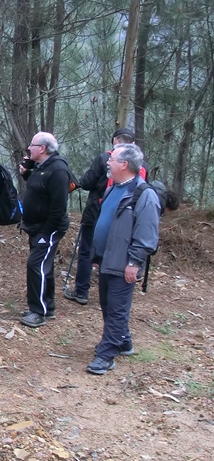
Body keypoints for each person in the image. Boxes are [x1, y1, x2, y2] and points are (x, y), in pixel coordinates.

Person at [86, 143, 160, 375]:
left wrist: (134, 262)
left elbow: (147, 235)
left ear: (124, 164)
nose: (107, 162)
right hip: (107, 259)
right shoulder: (112, 189)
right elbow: (105, 223)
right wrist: (97, 254)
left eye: (112, 159)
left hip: (124, 262)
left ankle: (106, 355)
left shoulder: (144, 195)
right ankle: (124, 341)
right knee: (108, 304)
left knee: (117, 309)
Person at [67, 127, 140, 306]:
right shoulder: (139, 163)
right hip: (126, 218)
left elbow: (86, 182)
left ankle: (82, 291)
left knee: (86, 251)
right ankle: (110, 292)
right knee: (115, 252)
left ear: (115, 140)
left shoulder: (104, 158)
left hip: (96, 211)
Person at [19, 132, 73, 328]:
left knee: (36, 265)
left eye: (32, 145)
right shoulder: (42, 167)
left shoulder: (58, 170)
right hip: (36, 227)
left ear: (42, 148)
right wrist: (27, 173)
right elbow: (39, 190)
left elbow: (58, 206)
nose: (29, 148)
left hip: (48, 228)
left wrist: (46, 232)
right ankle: (47, 307)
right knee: (43, 266)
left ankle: (38, 312)